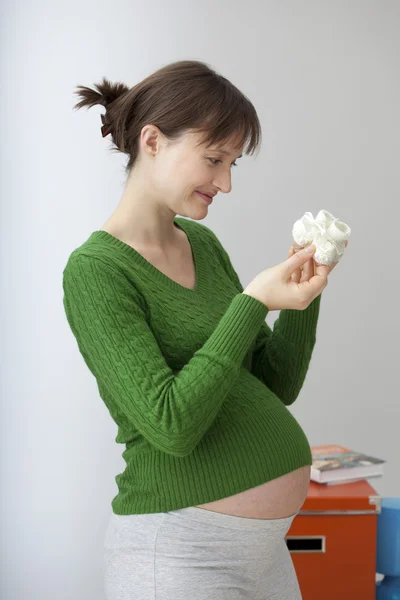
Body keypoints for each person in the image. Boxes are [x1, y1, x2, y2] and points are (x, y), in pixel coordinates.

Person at [63, 60, 347, 599]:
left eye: (233, 163)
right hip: (179, 556)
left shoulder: (202, 246)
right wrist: (251, 303)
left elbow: (276, 383)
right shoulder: (96, 271)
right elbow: (170, 424)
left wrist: (300, 300)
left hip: (264, 558)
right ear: (152, 141)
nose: (227, 183)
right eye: (214, 160)